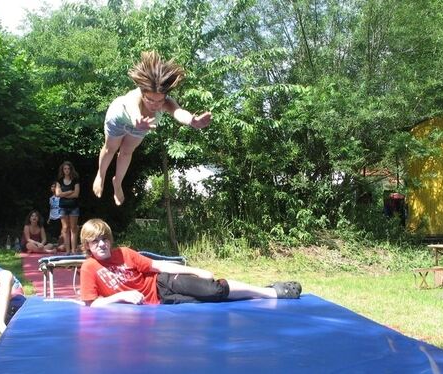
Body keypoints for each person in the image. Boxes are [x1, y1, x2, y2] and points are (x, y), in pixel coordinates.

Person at [78, 219, 302, 306]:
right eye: (95, 241)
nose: (101, 244)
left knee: (211, 289)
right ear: (87, 245)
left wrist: (196, 270)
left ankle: (272, 292)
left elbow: (158, 266)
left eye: (104, 238)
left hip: (163, 283)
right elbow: (91, 303)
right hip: (160, 303)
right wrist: (121, 295)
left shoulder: (124, 253)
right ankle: (261, 293)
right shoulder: (89, 268)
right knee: (204, 302)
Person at [92, 51, 212, 205]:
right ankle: (100, 175)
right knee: (111, 148)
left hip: (143, 124)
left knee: (127, 152)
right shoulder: (134, 97)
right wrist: (137, 120)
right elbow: (132, 108)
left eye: (159, 101)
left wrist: (192, 121)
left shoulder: (166, 102)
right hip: (119, 119)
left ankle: (118, 182)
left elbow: (178, 112)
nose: (155, 105)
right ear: (143, 93)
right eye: (150, 100)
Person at [56, 161, 80, 254]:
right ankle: (67, 250)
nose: (67, 170)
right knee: (65, 228)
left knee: (73, 228)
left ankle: (74, 250)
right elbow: (58, 194)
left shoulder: (75, 180)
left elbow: (76, 194)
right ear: (62, 170)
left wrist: (63, 195)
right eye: (65, 169)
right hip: (63, 207)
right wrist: (69, 192)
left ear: (71, 170)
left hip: (74, 207)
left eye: (68, 169)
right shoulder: (59, 181)